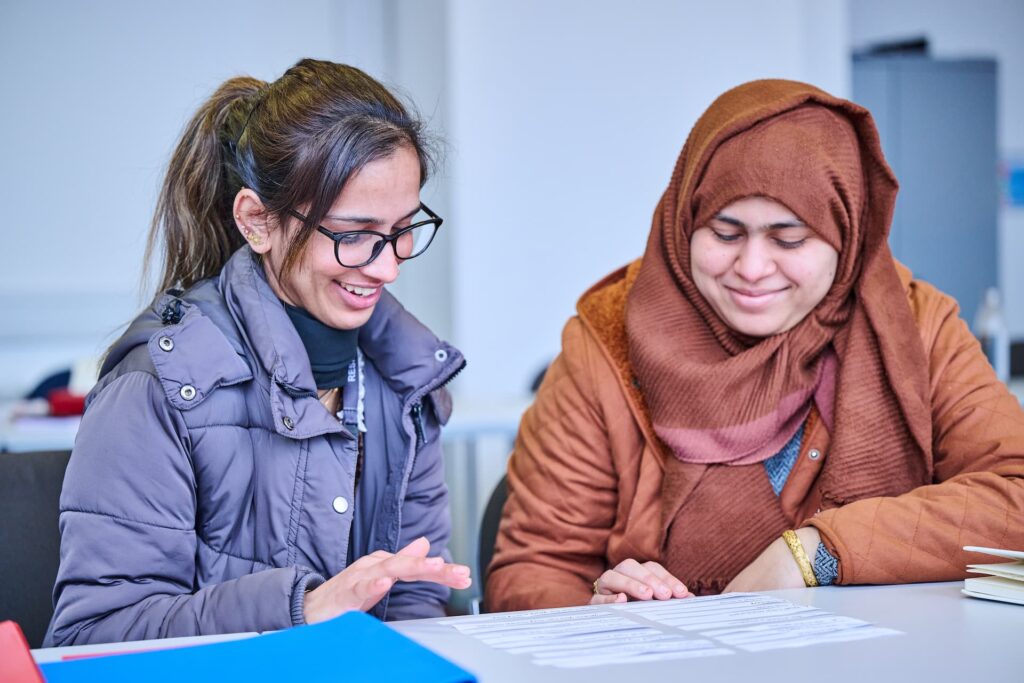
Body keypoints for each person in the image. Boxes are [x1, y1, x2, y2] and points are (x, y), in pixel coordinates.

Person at [485, 79, 1024, 611]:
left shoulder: (915, 326)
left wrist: (817, 552)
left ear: (846, 234)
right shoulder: (604, 342)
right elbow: (533, 570)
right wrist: (596, 617)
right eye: (724, 233)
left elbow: (1015, 498)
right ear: (685, 220)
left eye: (789, 239)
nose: (751, 268)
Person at [46, 59, 471, 646]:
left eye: (403, 229)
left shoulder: (408, 380)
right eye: (353, 235)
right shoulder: (155, 387)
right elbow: (94, 638)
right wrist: (303, 610)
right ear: (256, 222)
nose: (389, 265)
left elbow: (414, 604)